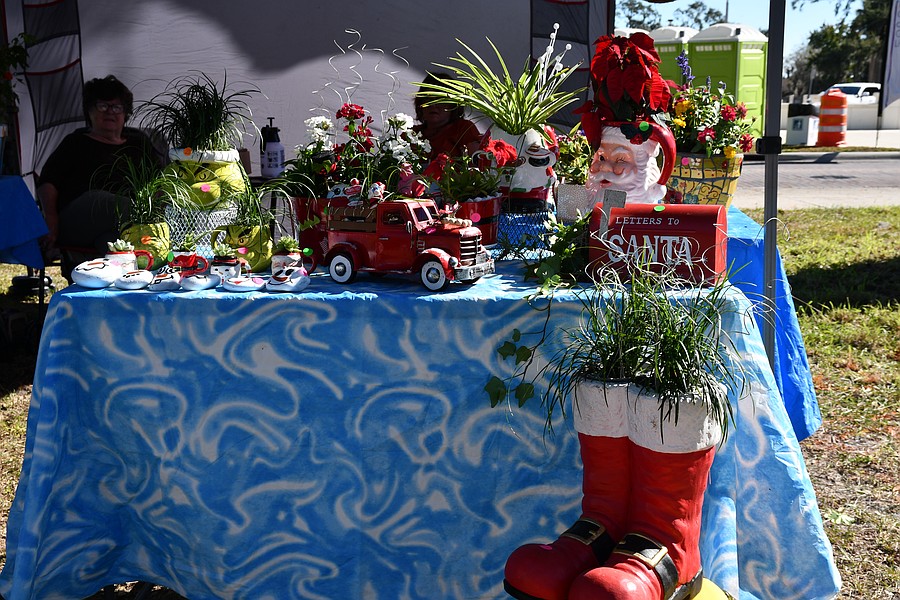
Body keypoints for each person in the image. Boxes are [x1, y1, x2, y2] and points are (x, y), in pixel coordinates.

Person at [38, 75, 162, 280]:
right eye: (103, 106)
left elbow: (159, 181)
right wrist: (50, 218)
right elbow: (47, 183)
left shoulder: (138, 142)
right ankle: (150, 223)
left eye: (117, 107)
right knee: (100, 200)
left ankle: (122, 285)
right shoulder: (75, 143)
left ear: (126, 112)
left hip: (121, 226)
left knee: (117, 246)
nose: (110, 112)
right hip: (79, 219)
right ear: (89, 110)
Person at [413, 73, 482, 161]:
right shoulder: (411, 134)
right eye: (428, 99)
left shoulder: (464, 129)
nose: (433, 105)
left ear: (453, 104)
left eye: (440, 100)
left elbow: (477, 163)